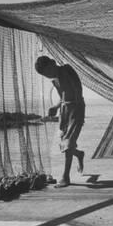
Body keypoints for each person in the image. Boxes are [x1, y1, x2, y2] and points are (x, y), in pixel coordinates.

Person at [35, 56, 85, 188]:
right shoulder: (55, 81)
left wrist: (76, 108)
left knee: (68, 142)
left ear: (53, 63)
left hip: (76, 108)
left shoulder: (67, 69)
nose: (49, 75)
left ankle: (65, 177)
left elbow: (77, 89)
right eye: (46, 75)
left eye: (48, 71)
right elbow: (62, 98)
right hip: (64, 111)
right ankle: (79, 154)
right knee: (64, 143)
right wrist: (56, 108)